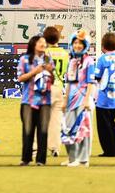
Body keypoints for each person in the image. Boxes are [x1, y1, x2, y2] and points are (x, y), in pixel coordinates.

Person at [17, 35, 53, 166]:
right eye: (40, 42)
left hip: (45, 101)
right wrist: (35, 71)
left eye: (44, 42)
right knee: (28, 130)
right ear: (33, 44)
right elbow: (20, 78)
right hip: (28, 100)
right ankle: (26, 158)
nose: (43, 44)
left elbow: (52, 80)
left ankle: (41, 160)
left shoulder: (49, 59)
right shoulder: (24, 59)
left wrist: (51, 72)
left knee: (43, 131)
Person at [61, 30, 95, 167]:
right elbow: (68, 82)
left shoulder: (89, 61)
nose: (77, 45)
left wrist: (87, 99)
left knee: (83, 129)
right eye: (75, 42)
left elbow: (91, 82)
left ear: (85, 45)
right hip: (70, 100)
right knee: (67, 129)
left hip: (83, 99)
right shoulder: (71, 61)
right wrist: (64, 100)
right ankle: (72, 158)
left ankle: (83, 159)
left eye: (80, 43)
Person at [94, 32, 115, 157]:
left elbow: (97, 76)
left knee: (104, 127)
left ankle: (110, 151)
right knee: (112, 124)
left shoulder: (103, 59)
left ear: (103, 46)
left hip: (104, 96)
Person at [43, 26, 68, 157]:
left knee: (40, 118)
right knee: (56, 120)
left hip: (45, 87)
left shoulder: (44, 53)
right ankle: (55, 148)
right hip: (59, 87)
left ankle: (36, 147)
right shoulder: (65, 54)